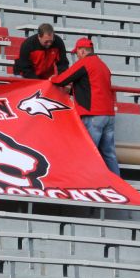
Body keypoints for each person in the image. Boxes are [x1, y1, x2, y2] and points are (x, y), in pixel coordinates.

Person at [51, 37, 119, 175]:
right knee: (108, 153)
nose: (77, 56)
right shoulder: (103, 65)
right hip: (109, 114)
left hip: (93, 114)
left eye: (77, 53)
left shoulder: (86, 63)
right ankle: (118, 185)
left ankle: (89, 183)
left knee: (88, 151)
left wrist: (51, 79)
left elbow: (61, 79)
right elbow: (90, 85)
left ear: (82, 51)